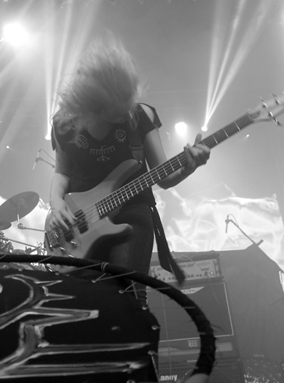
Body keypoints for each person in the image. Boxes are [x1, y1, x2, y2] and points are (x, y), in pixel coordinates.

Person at [48, 34, 211, 287]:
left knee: (127, 292)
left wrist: (189, 168)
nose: (127, 112)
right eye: (118, 109)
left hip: (132, 212)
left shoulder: (140, 115)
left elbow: (165, 177)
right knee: (84, 295)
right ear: (96, 106)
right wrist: (56, 202)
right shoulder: (63, 124)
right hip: (80, 221)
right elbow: (62, 172)